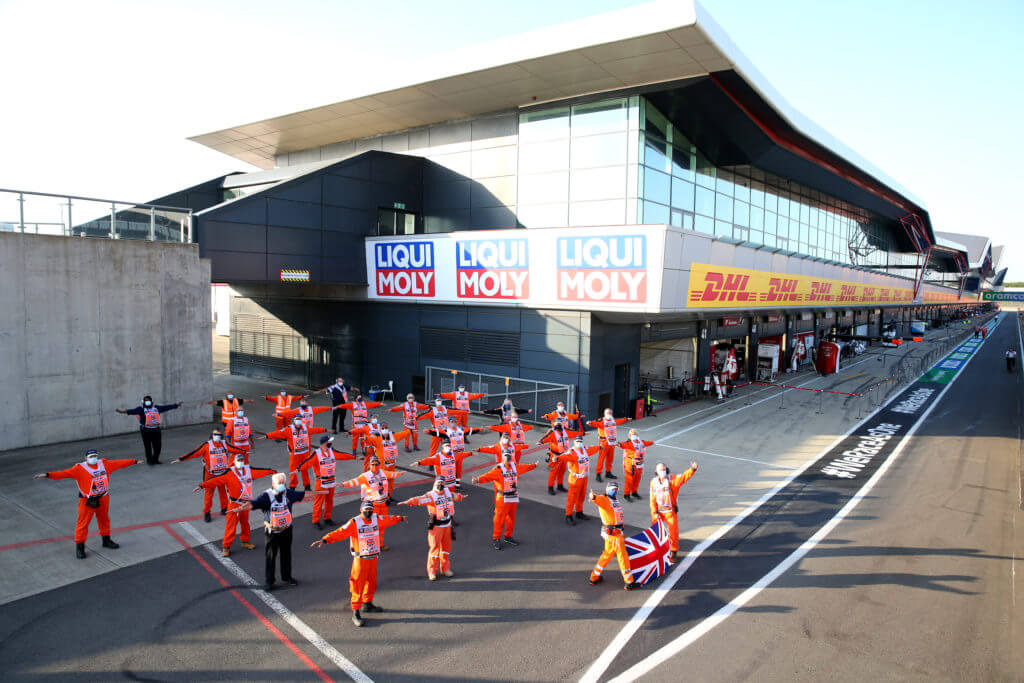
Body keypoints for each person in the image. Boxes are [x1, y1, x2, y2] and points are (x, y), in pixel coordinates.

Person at [311, 499, 407, 627]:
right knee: (357, 583)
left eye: (370, 509)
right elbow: (340, 532)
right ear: (361, 510)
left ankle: (367, 604)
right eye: (366, 510)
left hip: (372, 557)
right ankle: (356, 611)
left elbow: (388, 519)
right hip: (360, 559)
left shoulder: (376, 518)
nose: (368, 512)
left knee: (371, 581)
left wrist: (400, 518)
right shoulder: (355, 522)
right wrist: (325, 539)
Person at [34, 449, 139, 559]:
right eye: (91, 456)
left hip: (103, 497)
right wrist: (47, 475)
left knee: (104, 519)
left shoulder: (104, 464)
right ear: (86, 458)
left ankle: (106, 540)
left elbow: (119, 463)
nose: (93, 458)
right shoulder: (79, 469)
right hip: (87, 500)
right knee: (83, 523)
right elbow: (63, 473)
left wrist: (134, 461)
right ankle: (80, 547)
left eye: (95, 456)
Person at [231, 472, 305, 591]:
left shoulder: (289, 493)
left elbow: (303, 494)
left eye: (283, 482)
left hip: (286, 529)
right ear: (273, 484)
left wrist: (320, 492)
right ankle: (269, 581)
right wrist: (240, 508)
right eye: (279, 483)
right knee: (271, 556)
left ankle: (287, 577)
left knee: (286, 554)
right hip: (272, 532)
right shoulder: (266, 496)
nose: (281, 485)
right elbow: (254, 504)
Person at [194, 454, 276, 557]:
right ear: (234, 461)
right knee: (231, 525)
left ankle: (245, 541)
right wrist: (202, 485)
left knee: (245, 523)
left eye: (242, 460)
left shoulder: (249, 470)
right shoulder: (229, 473)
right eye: (238, 460)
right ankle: (226, 547)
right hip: (234, 504)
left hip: (245, 503)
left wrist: (272, 472)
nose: (240, 462)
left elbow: (261, 471)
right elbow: (215, 480)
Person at [398, 478, 466, 580]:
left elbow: (455, 496)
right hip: (436, 527)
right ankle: (432, 571)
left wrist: (460, 496)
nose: (440, 485)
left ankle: (445, 568)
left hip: (447, 525)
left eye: (442, 483)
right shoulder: (431, 496)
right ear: (435, 484)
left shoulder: (448, 493)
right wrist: (409, 501)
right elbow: (419, 499)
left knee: (446, 549)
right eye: (438, 483)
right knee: (434, 549)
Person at [173, 428, 247, 522]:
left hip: (222, 473)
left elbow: (234, 449)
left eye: (219, 435)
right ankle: (207, 512)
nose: (217, 437)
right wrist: (181, 459)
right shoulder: (206, 445)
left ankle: (224, 508)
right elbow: (194, 453)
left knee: (223, 492)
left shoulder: (224, 444)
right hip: (210, 475)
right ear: (211, 436)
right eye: (215, 434)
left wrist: (244, 451)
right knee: (209, 495)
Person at [472, 452, 540, 550]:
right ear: (503, 460)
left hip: (513, 496)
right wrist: (478, 480)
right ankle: (496, 538)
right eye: (507, 460)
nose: (509, 461)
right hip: (502, 498)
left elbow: (524, 467)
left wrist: (534, 465)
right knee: (499, 519)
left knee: (511, 518)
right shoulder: (498, 469)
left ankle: (508, 536)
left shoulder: (514, 467)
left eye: (509, 459)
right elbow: (488, 476)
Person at [339, 456, 404, 550]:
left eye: (376, 464)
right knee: (370, 526)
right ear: (369, 465)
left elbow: (391, 474)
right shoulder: (365, 476)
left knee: (382, 525)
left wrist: (399, 474)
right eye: (373, 464)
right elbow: (355, 481)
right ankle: (368, 545)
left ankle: (380, 544)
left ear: (379, 464)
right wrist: (344, 484)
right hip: (373, 505)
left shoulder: (383, 473)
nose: (375, 466)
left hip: (384, 504)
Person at [299, 435, 357, 530]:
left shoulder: (332, 451)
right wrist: (298, 469)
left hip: (331, 480)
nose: (331, 443)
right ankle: (316, 521)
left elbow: (342, 455)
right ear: (325, 443)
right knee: (319, 502)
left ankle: (327, 518)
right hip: (321, 481)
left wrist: (354, 457)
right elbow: (307, 462)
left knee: (329, 500)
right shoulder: (316, 454)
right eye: (329, 441)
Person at [588, 482, 638, 590]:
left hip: (612, 533)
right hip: (615, 535)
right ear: (607, 489)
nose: (614, 491)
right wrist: (593, 497)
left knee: (607, 554)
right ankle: (629, 582)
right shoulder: (605, 499)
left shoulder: (614, 500)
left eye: (615, 489)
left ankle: (594, 577)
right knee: (623, 557)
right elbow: (597, 499)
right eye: (612, 489)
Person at [650, 461, 698, 561]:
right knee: (654, 531)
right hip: (658, 512)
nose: (663, 471)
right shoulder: (653, 483)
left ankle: (674, 551)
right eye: (661, 470)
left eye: (664, 469)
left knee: (673, 532)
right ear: (656, 472)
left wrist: (693, 469)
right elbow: (652, 499)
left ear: (667, 470)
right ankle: (655, 548)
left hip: (670, 512)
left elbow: (684, 477)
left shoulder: (673, 480)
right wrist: (654, 512)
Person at [264, 415, 326, 490]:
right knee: (293, 470)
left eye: (300, 419)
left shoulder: (306, 428)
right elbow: (278, 433)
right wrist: (267, 436)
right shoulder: (289, 429)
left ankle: (307, 486)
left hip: (305, 454)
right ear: (294, 420)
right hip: (295, 455)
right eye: (297, 419)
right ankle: (293, 486)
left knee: (304, 470)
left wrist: (325, 430)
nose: (298, 421)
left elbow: (315, 430)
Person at [116, 396, 181, 465]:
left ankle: (155, 459)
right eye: (146, 401)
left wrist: (176, 405)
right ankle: (149, 460)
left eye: (148, 400)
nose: (147, 402)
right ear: (143, 402)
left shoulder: (156, 408)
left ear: (151, 401)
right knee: (148, 446)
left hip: (156, 430)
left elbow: (166, 407)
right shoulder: (141, 409)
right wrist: (122, 412)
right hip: (146, 431)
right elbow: (131, 411)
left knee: (158, 446)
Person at [424, 417, 484, 487]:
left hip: (460, 453)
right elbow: (437, 432)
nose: (454, 423)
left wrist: (480, 429)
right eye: (452, 421)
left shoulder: (461, 430)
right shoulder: (446, 431)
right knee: (450, 469)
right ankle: (445, 484)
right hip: (451, 454)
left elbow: (471, 430)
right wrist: (428, 431)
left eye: (455, 421)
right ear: (449, 422)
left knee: (458, 469)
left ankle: (457, 484)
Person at [553, 436, 600, 525]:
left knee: (581, 496)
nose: (579, 442)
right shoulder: (572, 452)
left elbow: (593, 449)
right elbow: (564, 456)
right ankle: (568, 515)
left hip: (584, 477)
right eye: (577, 441)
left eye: (580, 441)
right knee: (572, 497)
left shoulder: (585, 450)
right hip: (575, 479)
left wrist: (600, 447)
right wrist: (557, 458)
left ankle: (579, 512)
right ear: (574, 442)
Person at [414, 441, 481, 493]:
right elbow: (429, 460)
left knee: (450, 498)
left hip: (451, 481)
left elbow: (462, 454)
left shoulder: (454, 455)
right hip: (442, 482)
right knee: (440, 495)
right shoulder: (438, 456)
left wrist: (470, 453)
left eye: (449, 445)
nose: (448, 447)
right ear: (443, 447)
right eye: (446, 445)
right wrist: (419, 462)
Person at [538, 421, 583, 495]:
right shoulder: (552, 432)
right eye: (557, 423)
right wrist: (541, 441)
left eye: (560, 423)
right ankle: (550, 487)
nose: (559, 425)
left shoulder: (565, 431)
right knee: (554, 472)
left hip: (564, 455)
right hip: (555, 455)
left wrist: (582, 433)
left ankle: (560, 485)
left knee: (562, 471)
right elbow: (545, 437)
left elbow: (573, 433)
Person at [588, 409, 627, 482]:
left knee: (610, 458)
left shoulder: (613, 420)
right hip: (604, 442)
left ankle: (608, 472)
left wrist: (626, 419)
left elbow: (619, 421)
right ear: (605, 414)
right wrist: (590, 423)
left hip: (612, 442)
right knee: (601, 458)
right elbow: (594, 423)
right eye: (608, 413)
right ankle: (598, 474)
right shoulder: (601, 421)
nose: (609, 414)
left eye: (610, 413)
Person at [617, 429, 654, 501]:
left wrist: (652, 442)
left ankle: (634, 492)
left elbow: (648, 443)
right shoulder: (629, 443)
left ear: (637, 435)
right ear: (629, 436)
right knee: (629, 479)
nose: (633, 435)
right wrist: (617, 443)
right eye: (632, 434)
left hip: (639, 463)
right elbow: (622, 445)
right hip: (630, 463)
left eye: (635, 434)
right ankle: (626, 494)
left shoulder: (641, 442)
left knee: (637, 479)